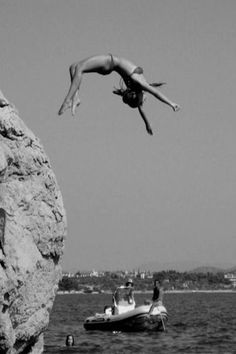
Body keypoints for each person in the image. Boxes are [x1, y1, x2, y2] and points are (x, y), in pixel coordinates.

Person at [58, 54, 180, 135]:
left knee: (78, 68)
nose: (144, 102)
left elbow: (156, 94)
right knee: (73, 67)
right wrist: (147, 124)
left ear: (138, 95)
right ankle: (76, 97)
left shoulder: (140, 83)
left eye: (142, 101)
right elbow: (142, 109)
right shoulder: (137, 88)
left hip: (109, 62)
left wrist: (171, 103)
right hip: (109, 66)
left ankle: (68, 100)